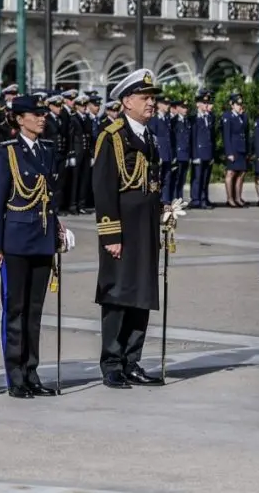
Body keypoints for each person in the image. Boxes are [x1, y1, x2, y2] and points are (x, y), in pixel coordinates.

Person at [0, 94, 70, 397]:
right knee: (15, 309)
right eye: (35, 115)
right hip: (15, 242)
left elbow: (49, 196)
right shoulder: (7, 153)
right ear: (20, 119)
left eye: (43, 114)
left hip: (42, 238)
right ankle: (15, 376)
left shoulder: (47, 151)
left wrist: (58, 229)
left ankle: (31, 372)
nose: (42, 119)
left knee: (35, 311)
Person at [92, 68, 164, 389]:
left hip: (145, 228)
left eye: (153, 98)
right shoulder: (112, 136)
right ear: (126, 101)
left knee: (143, 294)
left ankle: (132, 360)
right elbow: (104, 188)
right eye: (145, 98)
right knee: (119, 295)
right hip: (122, 230)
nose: (151, 103)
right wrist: (111, 235)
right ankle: (111, 363)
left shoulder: (150, 137)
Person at [220, 94, 251, 207]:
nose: (239, 106)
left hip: (241, 148)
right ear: (231, 105)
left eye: (240, 104)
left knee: (241, 173)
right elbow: (226, 136)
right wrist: (229, 152)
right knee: (231, 173)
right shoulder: (227, 116)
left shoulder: (241, 116)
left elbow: (246, 132)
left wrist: (243, 115)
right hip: (233, 149)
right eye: (237, 104)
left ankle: (238, 197)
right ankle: (230, 198)